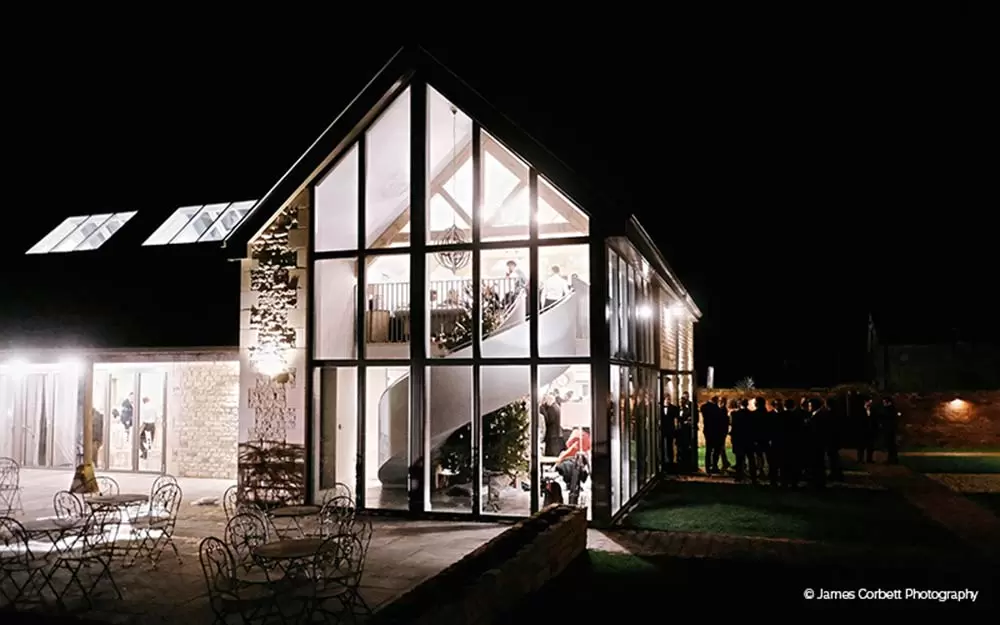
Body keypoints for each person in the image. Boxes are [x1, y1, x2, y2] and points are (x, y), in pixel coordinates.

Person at [730, 398, 756, 483]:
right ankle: (753, 477)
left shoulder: (735, 414)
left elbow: (734, 428)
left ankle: (739, 477)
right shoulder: (751, 414)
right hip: (748, 440)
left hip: (739, 440)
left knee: (739, 460)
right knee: (751, 459)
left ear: (739, 404)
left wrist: (733, 439)